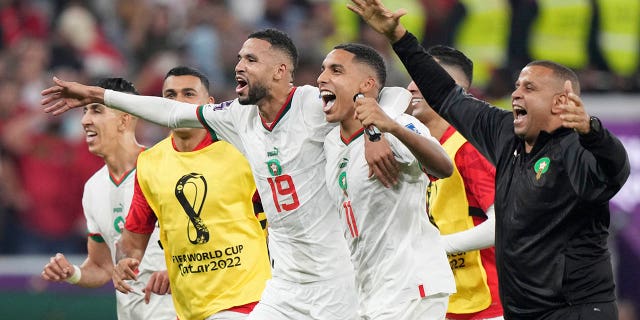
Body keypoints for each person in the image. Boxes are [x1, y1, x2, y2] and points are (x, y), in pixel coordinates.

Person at [41, 28, 405, 320]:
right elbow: (169, 113)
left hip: (335, 277)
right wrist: (96, 94)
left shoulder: (311, 103)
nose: (239, 67)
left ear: (280, 71)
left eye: (250, 59)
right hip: (286, 283)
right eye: (238, 59)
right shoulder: (238, 117)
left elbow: (394, 97)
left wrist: (376, 133)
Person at [348, 1, 631, 319]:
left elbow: (614, 169)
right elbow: (447, 95)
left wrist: (593, 132)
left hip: (575, 310)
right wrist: (399, 37)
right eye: (517, 86)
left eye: (529, 87)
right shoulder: (505, 134)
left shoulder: (577, 151)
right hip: (521, 311)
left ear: (560, 101)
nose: (516, 94)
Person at [112, 66, 272, 320]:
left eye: (188, 94)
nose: (178, 103)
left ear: (209, 104)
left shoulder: (242, 151)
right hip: (188, 309)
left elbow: (282, 220)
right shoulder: (150, 163)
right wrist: (124, 262)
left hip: (247, 301)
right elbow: (133, 240)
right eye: (170, 96)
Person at [318, 42, 456, 319]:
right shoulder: (331, 141)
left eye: (336, 70)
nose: (322, 77)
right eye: (322, 70)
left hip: (411, 285)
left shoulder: (398, 124)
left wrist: (386, 127)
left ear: (366, 84)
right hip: (369, 290)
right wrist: (371, 131)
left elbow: (443, 167)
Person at [40, 78, 176, 319]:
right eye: (84, 111)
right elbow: (102, 266)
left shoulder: (168, 169)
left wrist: (175, 273)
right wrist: (72, 273)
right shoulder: (93, 188)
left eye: (96, 110)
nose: (85, 120)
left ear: (125, 119)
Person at [407, 45, 503, 319]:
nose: (411, 87)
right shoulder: (415, 150)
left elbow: (503, 224)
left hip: (487, 306)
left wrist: (437, 247)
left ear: (451, 89)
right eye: (410, 78)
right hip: (439, 302)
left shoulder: (469, 147)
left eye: (420, 78)